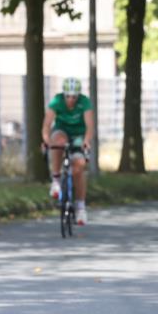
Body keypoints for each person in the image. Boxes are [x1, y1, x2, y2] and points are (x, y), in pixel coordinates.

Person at [42, 78, 95, 225]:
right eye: (68, 96)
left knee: (78, 166)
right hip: (62, 131)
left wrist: (86, 141)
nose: (71, 100)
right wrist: (46, 140)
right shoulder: (57, 101)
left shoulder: (84, 102)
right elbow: (47, 124)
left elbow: (90, 126)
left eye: (74, 97)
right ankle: (56, 179)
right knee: (58, 143)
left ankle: (80, 207)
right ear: (63, 94)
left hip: (78, 135)